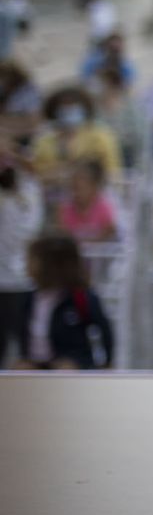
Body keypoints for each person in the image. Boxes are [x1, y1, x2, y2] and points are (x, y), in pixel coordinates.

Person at [16, 230, 114, 369]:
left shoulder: (80, 298)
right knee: (20, 371)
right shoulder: (29, 298)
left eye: (32, 260)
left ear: (51, 265)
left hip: (70, 361)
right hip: (35, 363)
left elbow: (105, 329)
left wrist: (106, 363)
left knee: (65, 370)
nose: (26, 266)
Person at [0, 139, 44, 366]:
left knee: (21, 345)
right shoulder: (28, 197)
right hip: (17, 280)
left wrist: (13, 154)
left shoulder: (25, 197)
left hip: (17, 280)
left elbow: (34, 170)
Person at [55, 160, 117, 244]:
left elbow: (109, 232)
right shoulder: (65, 209)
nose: (76, 193)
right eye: (73, 188)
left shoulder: (105, 208)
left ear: (94, 187)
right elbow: (62, 234)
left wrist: (91, 241)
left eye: (80, 188)